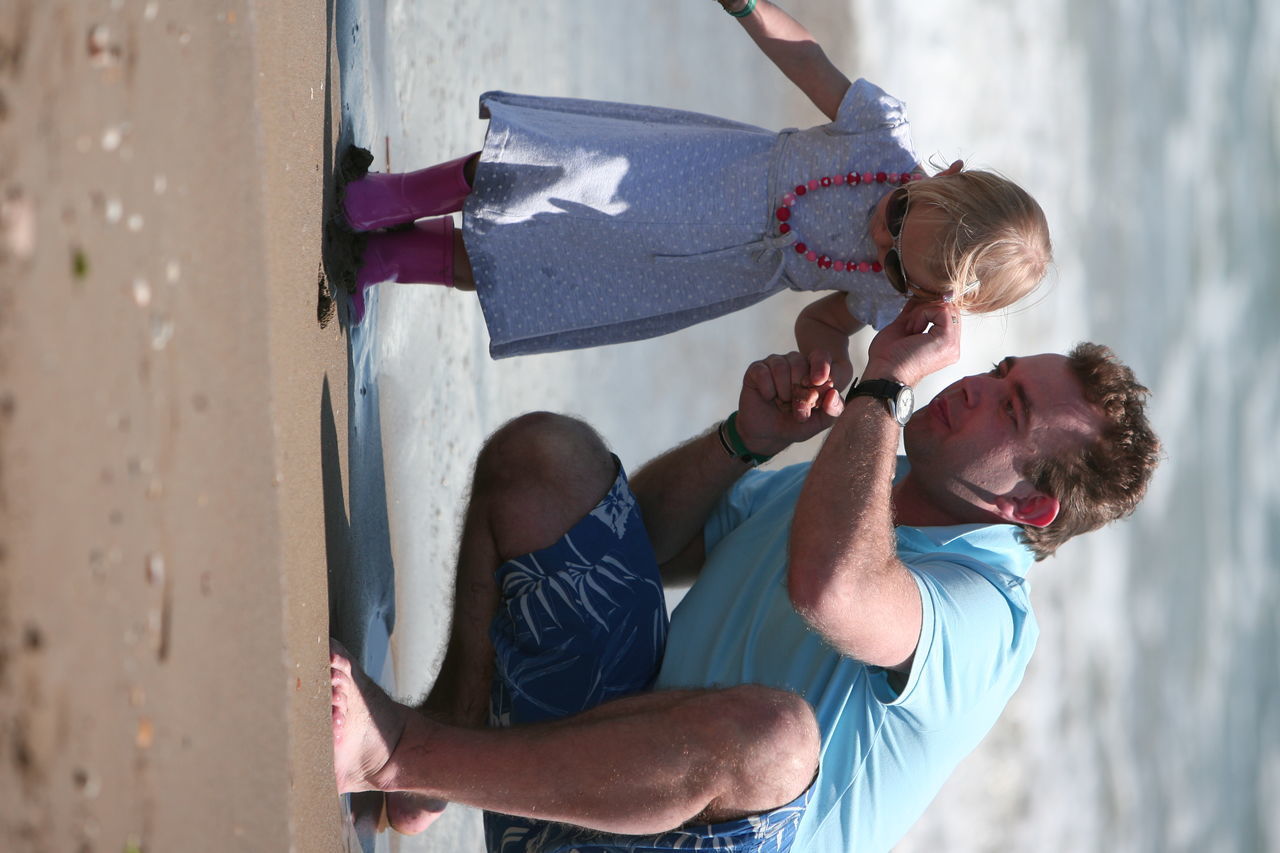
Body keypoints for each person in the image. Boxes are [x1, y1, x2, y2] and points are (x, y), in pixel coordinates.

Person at [329, 299, 1161, 852]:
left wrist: (886, 385)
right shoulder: (861, 480)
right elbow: (639, 543)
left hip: (677, 823)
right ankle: (438, 752)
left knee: (776, 739)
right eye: (1004, 370)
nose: (978, 386)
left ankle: (403, 755)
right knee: (546, 459)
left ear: (1031, 509)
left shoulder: (988, 616)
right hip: (571, 786)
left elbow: (833, 587)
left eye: (1010, 410)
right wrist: (742, 442)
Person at [335, 0, 1051, 383]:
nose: (878, 238)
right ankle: (392, 194)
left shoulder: (894, 298)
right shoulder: (881, 135)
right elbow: (808, 59)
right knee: (546, 170)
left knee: (540, 270)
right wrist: (748, 9)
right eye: (900, 214)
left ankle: (392, 260)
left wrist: (827, 366)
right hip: (690, 173)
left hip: (696, 275)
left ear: (934, 296)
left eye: (896, 261)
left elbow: (825, 324)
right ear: (946, 178)